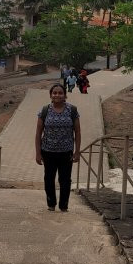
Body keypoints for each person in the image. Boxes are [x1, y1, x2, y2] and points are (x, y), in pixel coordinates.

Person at [35, 83, 81, 212]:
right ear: (50, 95)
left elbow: (77, 131)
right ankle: (51, 203)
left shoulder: (72, 110)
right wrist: (38, 153)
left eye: (60, 93)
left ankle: (64, 206)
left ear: (65, 95)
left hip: (66, 151)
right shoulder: (44, 111)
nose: (57, 95)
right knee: (49, 178)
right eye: (54, 93)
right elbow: (38, 133)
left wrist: (77, 151)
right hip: (48, 151)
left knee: (65, 180)